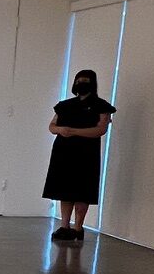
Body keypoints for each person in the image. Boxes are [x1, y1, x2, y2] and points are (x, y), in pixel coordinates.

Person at [44, 67, 115, 241]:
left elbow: (100, 129)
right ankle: (64, 225)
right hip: (64, 152)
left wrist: (74, 131)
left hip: (86, 153)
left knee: (83, 189)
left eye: (84, 81)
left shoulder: (101, 106)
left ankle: (78, 227)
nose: (80, 84)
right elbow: (52, 126)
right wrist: (61, 130)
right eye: (78, 81)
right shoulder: (65, 105)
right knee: (64, 189)